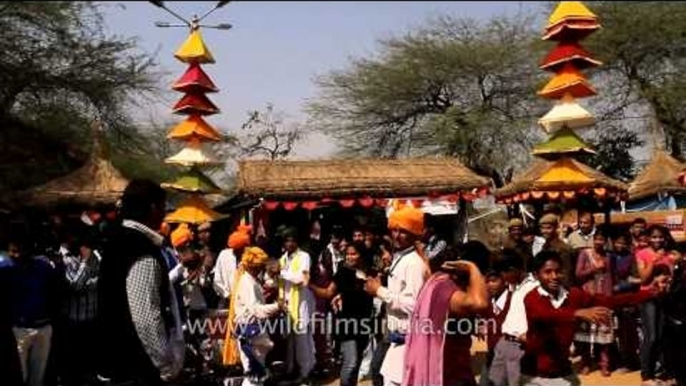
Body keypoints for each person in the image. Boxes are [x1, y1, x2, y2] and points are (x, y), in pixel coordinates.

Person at [520, 250, 668, 386]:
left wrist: (648, 294)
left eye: (558, 271)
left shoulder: (573, 294)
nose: (554, 276)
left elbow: (609, 301)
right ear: (536, 274)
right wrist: (577, 313)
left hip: (562, 368)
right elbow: (545, 315)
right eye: (548, 272)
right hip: (534, 371)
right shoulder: (532, 298)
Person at [99, 179, 184, 385]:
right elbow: (145, 316)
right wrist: (165, 365)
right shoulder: (138, 248)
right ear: (153, 208)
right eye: (163, 207)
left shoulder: (118, 240)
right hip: (137, 367)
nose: (164, 213)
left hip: (120, 362)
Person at [402, 246, 489, 386]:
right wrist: (473, 268)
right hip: (448, 372)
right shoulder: (446, 290)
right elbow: (480, 303)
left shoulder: (435, 283)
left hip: (452, 367)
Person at [364, 206, 429, 386]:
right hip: (397, 340)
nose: (397, 235)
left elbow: (415, 305)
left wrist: (380, 291)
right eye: (394, 230)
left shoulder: (414, 264)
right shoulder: (401, 258)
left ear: (414, 234)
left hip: (408, 341)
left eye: (403, 231)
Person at [309, 242, 375, 386]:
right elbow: (328, 292)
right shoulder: (342, 273)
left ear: (361, 255)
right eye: (348, 254)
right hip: (346, 323)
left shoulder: (370, 273)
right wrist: (310, 285)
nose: (350, 257)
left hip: (364, 323)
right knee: (350, 363)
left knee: (357, 362)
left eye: (354, 254)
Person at [225, 247, 285, 386]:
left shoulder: (251, 280)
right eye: (260, 266)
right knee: (254, 375)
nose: (261, 268)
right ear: (254, 266)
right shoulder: (248, 283)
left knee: (255, 374)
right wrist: (277, 306)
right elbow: (256, 310)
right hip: (250, 332)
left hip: (252, 331)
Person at [7, 229, 59, 386]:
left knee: (38, 377)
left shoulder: (44, 268)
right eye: (12, 251)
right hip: (19, 330)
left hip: (43, 328)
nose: (14, 255)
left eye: (18, 251)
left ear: (28, 250)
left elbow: (55, 293)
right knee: (19, 376)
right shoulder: (5, 270)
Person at [488, 250, 537, 386]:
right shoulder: (515, 287)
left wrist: (529, 336)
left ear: (512, 270)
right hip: (504, 343)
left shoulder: (532, 288)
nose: (503, 278)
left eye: (503, 274)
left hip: (519, 347)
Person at [636, 225, 676, 385]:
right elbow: (644, 279)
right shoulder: (641, 254)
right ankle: (646, 376)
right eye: (654, 237)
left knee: (660, 337)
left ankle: (658, 372)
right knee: (651, 337)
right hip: (648, 298)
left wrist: (667, 282)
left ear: (665, 238)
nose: (657, 240)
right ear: (648, 238)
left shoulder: (669, 255)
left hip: (664, 298)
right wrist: (654, 261)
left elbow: (671, 277)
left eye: (660, 237)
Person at [61, 233, 101, 386]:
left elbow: (101, 279)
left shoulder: (95, 257)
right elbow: (75, 287)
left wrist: (89, 283)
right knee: (74, 354)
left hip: (91, 314)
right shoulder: (67, 259)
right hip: (74, 318)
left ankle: (88, 377)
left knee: (89, 353)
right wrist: (85, 263)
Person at [574, 229, 614, 376]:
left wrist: (609, 298)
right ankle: (586, 363)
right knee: (585, 333)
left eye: (602, 239)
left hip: (603, 298)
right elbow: (578, 274)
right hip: (586, 299)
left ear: (606, 241)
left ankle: (604, 364)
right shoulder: (585, 254)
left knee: (604, 333)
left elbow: (610, 277)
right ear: (592, 240)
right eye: (596, 239)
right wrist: (593, 268)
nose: (599, 242)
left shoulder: (608, 256)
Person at [279, 227, 316, 384]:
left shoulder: (304, 257)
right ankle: (291, 370)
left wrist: (281, 272)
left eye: (292, 240)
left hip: (300, 304)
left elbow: (302, 279)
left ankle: (305, 373)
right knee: (289, 341)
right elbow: (280, 283)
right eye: (286, 240)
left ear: (297, 241)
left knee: (302, 339)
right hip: (286, 305)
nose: (289, 243)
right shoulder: (283, 259)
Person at [610, 231, 641, 372]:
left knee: (628, 333)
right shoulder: (609, 256)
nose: (620, 245)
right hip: (611, 299)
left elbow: (635, 279)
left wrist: (620, 286)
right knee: (613, 332)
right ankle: (615, 361)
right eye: (617, 242)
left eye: (623, 243)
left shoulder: (631, 257)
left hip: (627, 299)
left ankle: (630, 363)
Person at [479, 262, 511, 386]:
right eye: (487, 281)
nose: (490, 285)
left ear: (504, 281)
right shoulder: (487, 303)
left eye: (494, 281)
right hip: (492, 355)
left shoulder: (513, 301)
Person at [215, 226, 252, 308]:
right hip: (226, 302)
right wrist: (228, 295)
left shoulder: (249, 257)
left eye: (243, 248)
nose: (241, 252)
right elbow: (217, 280)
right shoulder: (223, 255)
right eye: (237, 250)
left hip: (245, 302)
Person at [538, 213, 574, 286]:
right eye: (542, 228)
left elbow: (566, 273)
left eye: (548, 228)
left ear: (555, 228)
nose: (544, 231)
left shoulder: (562, 248)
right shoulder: (545, 245)